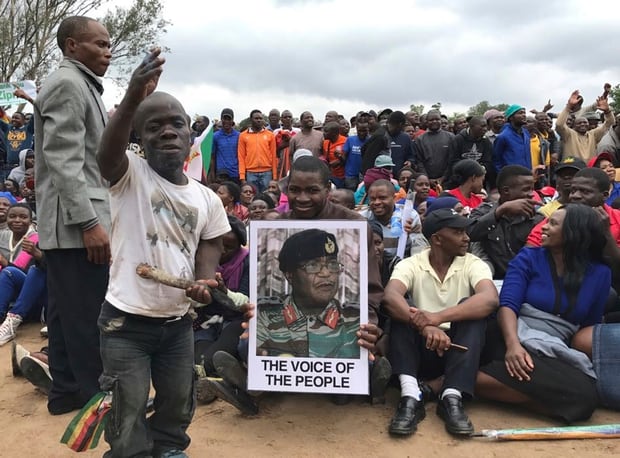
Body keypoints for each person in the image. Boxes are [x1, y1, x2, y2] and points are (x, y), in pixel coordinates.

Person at [95, 48, 230, 457]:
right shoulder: (129, 175)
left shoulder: (207, 199)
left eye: (176, 124)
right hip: (124, 324)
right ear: (139, 139)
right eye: (154, 127)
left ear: (191, 134)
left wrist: (205, 279)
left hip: (176, 325)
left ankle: (169, 448)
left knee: (177, 398)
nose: (167, 131)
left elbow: (211, 243)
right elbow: (107, 154)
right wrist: (134, 95)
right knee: (128, 404)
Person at [34, 15, 112, 416]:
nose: (108, 51)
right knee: (87, 315)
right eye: (98, 44)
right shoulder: (68, 83)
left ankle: (64, 391)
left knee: (65, 314)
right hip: (77, 226)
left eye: (108, 44)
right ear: (71, 46)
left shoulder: (80, 84)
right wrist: (89, 223)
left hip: (69, 225)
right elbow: (64, 160)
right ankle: (96, 398)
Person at [477, 204, 610, 422]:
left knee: (586, 397)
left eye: (552, 223)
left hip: (552, 346)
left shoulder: (600, 273)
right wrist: (513, 346)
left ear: (573, 233)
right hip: (508, 333)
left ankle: (471, 379)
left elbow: (589, 325)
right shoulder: (529, 257)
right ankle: (469, 381)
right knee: (571, 395)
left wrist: (563, 358)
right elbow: (508, 304)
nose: (543, 228)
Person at [383, 208, 498, 437]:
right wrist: (424, 326)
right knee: (401, 311)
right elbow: (390, 297)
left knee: (472, 311)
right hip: (422, 349)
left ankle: (451, 397)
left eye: (465, 232)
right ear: (436, 239)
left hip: (459, 350)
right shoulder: (412, 263)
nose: (466, 238)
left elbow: (490, 299)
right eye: (457, 232)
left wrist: (436, 318)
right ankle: (410, 395)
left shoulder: (472, 263)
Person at [256, 229, 360, 358]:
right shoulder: (262, 315)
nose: (326, 273)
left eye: (332, 264)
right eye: (312, 265)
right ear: (290, 275)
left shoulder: (356, 319)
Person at [467, 165, 544, 279]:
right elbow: (469, 233)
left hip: (527, 279)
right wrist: (501, 211)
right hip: (491, 280)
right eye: (526, 189)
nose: (531, 194)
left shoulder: (536, 218)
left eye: (532, 189)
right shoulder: (483, 212)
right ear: (506, 191)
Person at [555, 90, 614, 161]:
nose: (582, 124)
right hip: (572, 170)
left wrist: (607, 111)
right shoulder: (568, 134)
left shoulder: (593, 134)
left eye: (585, 122)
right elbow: (559, 124)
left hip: (590, 170)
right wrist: (568, 107)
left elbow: (609, 123)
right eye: (579, 123)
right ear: (574, 125)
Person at [444, 116, 494, 190]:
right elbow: (453, 161)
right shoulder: (458, 139)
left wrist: (480, 169)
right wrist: (469, 170)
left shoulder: (486, 141)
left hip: (478, 180)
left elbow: (487, 161)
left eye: (486, 126)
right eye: (482, 126)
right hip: (459, 181)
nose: (485, 129)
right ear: (471, 126)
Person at [238, 109, 277, 193]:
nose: (259, 120)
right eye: (256, 118)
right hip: (250, 173)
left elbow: (274, 156)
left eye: (260, 118)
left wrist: (274, 176)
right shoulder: (243, 136)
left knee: (267, 197)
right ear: (251, 120)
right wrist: (242, 177)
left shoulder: (270, 135)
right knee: (253, 199)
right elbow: (241, 157)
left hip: (267, 173)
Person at [492, 104, 531, 172]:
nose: (524, 115)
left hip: (526, 175)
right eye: (520, 113)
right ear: (511, 117)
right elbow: (496, 161)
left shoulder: (526, 133)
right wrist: (504, 176)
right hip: (511, 178)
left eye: (524, 113)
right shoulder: (503, 136)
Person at [211, 108, 240, 183]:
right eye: (224, 118)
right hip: (221, 174)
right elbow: (213, 157)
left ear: (232, 120)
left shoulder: (239, 136)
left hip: (235, 173)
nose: (226, 121)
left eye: (229, 119)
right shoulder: (215, 136)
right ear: (221, 119)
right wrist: (212, 175)